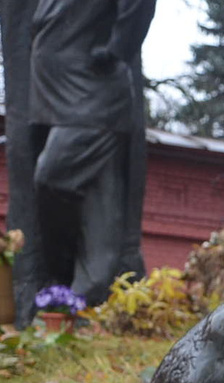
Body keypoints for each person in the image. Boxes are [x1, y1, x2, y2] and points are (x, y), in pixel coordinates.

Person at [29, 0, 156, 305]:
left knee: (52, 177)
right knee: (100, 204)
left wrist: (117, 48)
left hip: (92, 100)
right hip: (55, 100)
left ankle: (66, 289)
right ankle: (83, 299)